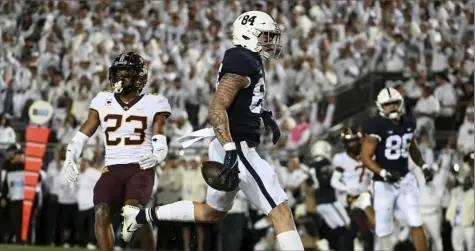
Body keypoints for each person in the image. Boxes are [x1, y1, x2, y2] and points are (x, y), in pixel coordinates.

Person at [122, 11, 304, 251]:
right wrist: (230, 150)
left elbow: (241, 99)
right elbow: (217, 106)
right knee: (281, 211)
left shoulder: (247, 58)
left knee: (211, 213)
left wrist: (262, 115)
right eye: (265, 36)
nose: (270, 42)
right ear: (249, 35)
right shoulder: (243, 59)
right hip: (237, 147)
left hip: (228, 144)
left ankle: (140, 217)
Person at [61, 52, 172, 251]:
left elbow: (160, 140)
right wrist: (70, 156)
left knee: (133, 212)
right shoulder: (102, 99)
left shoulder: (154, 101)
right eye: (117, 73)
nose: (119, 78)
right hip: (111, 168)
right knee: (101, 212)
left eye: (125, 73)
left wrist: (157, 155)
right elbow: (82, 135)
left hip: (140, 167)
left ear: (139, 77)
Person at [361, 87, 434, 251]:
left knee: (416, 221)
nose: (392, 107)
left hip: (405, 178)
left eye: (395, 103)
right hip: (384, 182)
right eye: (388, 104)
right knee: (382, 229)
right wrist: (383, 173)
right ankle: (366, 205)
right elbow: (365, 158)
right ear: (381, 106)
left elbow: (413, 149)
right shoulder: (375, 125)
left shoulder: (408, 122)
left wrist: (423, 166)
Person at [310, 140, 352, 251]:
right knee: (345, 226)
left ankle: (331, 246)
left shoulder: (312, 166)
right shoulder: (324, 164)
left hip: (319, 202)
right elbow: (331, 181)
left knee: (336, 230)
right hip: (329, 200)